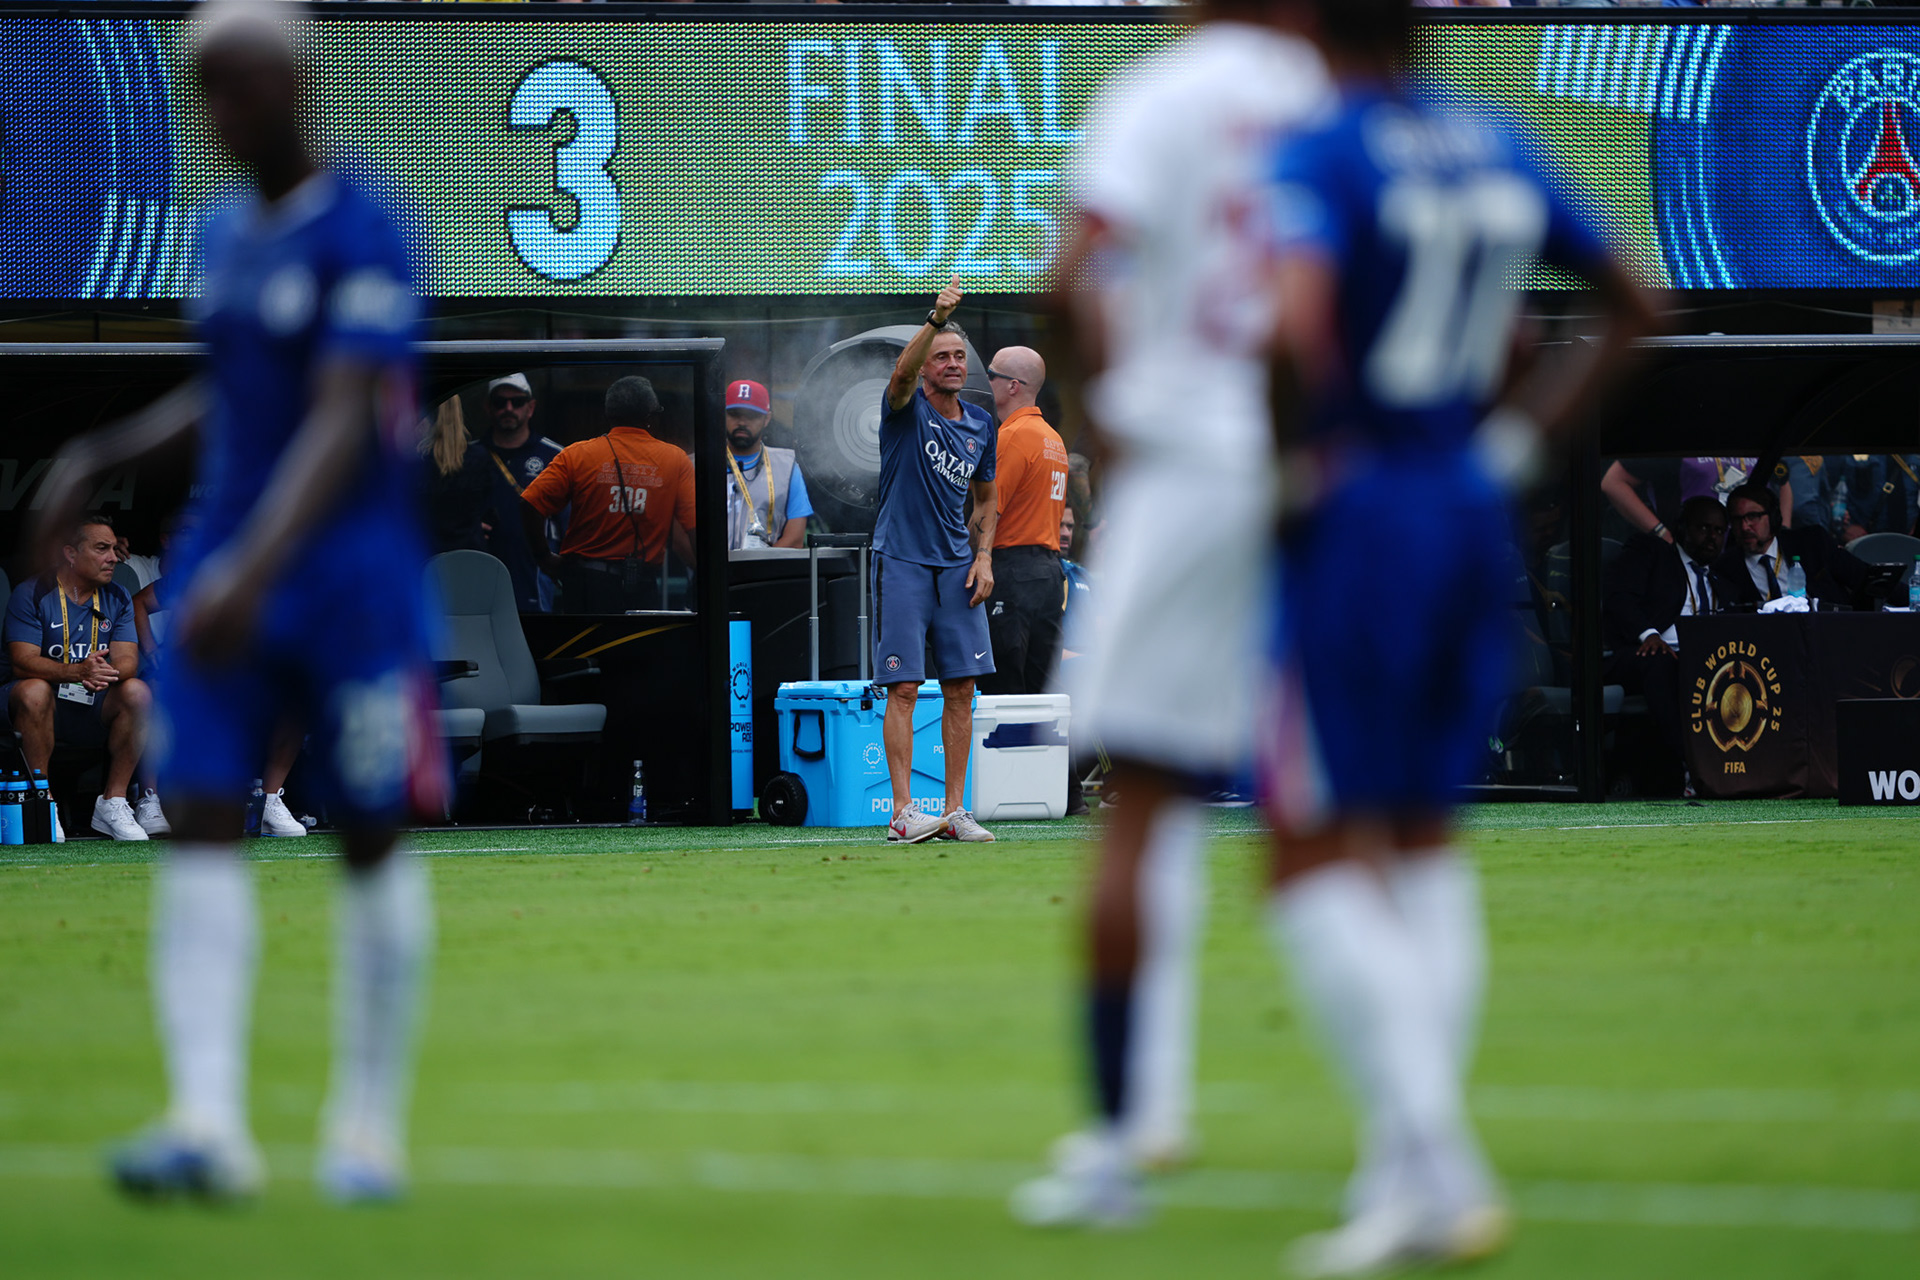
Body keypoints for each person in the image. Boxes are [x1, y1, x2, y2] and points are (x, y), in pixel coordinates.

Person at [1254, 1, 1652, 1272]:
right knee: (1422, 839)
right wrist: (1515, 445)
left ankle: (1435, 1158)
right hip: (1466, 508)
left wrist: (1287, 466)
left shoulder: (1321, 150)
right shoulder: (1493, 137)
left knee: (1308, 842)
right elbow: (1633, 297)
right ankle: (1403, 1169)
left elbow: (1286, 328)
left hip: (1363, 504)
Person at [33, 0, 447, 1203]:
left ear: (299, 83)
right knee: (203, 821)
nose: (218, 113)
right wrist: (96, 449)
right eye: (203, 88)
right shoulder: (222, 232)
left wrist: (252, 567)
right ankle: (207, 1118)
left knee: (370, 833)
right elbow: (233, 395)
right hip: (233, 565)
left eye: (240, 86)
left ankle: (367, 1125)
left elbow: (339, 408)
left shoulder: (367, 225)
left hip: (348, 581)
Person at [1011, 0, 1331, 1229]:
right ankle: (1416, 1146)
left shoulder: (1162, 91)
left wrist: (1120, 422)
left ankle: (1119, 1133)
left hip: (1194, 458)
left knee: (1142, 799)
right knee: (1357, 818)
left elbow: (1071, 268)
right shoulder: (1328, 95)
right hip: (1322, 461)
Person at [872, 278, 998, 845]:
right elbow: (898, 377)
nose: (950, 363)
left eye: (956, 356)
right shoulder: (903, 408)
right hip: (901, 558)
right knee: (903, 688)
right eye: (941, 356)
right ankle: (902, 813)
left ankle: (954, 812)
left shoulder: (980, 424)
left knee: (962, 688)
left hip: (956, 567)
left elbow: (988, 498)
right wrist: (937, 318)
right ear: (925, 366)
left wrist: (985, 556)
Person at [1, 514, 165, 840]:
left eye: (114, 549)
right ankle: (42, 801)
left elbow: (128, 662)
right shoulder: (32, 592)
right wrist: (77, 671)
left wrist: (98, 673)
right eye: (102, 549)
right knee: (34, 690)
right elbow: (22, 662)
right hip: (37, 705)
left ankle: (113, 802)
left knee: (138, 692)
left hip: (91, 702)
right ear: (71, 553)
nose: (113, 558)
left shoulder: (117, 596)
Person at [518, 375, 696, 613]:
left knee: (586, 650)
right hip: (642, 586)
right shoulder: (676, 460)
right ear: (651, 416)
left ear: (608, 414)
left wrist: (544, 557)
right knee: (638, 650)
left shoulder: (577, 455)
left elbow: (529, 504)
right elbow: (695, 528)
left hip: (585, 587)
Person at [1604, 496, 1731, 795]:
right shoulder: (1651, 553)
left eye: (1718, 531)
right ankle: (1690, 766)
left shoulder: (1724, 575)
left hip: (1702, 658)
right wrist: (1648, 634)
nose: (1711, 537)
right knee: (1662, 662)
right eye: (1703, 528)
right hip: (1642, 653)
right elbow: (1619, 598)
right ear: (1682, 528)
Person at [980, 346, 1070, 696]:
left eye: (991, 375)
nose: (985, 381)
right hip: (1047, 574)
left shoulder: (1012, 436)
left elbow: (988, 511)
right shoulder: (1053, 438)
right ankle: (1043, 753)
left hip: (1012, 573)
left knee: (1002, 689)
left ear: (1012, 386)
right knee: (1042, 689)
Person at [1714, 480, 1872, 608]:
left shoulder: (1812, 543)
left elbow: (1865, 579)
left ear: (1774, 518)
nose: (1744, 527)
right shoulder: (1726, 568)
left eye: (1753, 516)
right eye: (1737, 520)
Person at [481, 372, 564, 611]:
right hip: (481, 572)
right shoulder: (468, 456)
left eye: (516, 402)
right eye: (500, 402)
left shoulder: (557, 456)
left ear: (530, 407)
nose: (508, 408)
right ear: (488, 407)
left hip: (534, 575)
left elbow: (575, 522)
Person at [722, 378, 813, 550]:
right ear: (722, 415)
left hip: (767, 573)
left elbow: (795, 538)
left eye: (751, 416)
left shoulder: (786, 466)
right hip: (708, 573)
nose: (742, 422)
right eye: (735, 414)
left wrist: (763, 569)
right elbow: (680, 532)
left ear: (767, 419)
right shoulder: (696, 464)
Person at [418, 395, 491, 554]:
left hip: (427, 555)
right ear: (459, 414)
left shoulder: (418, 464)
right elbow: (489, 508)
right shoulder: (479, 458)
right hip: (471, 554)